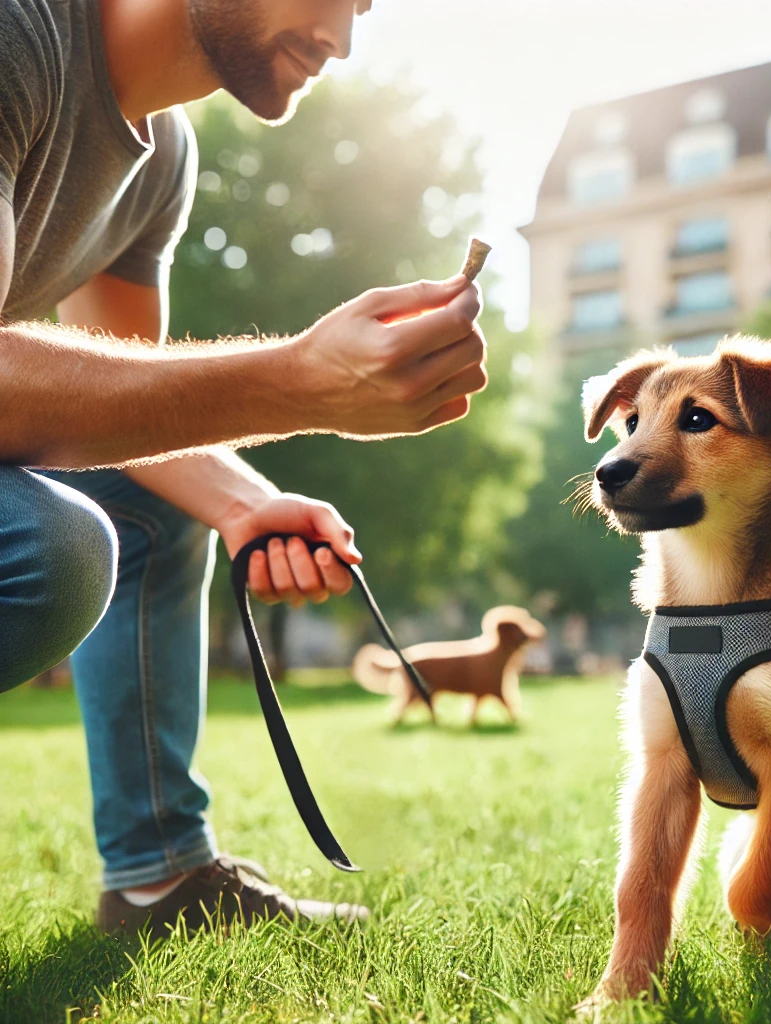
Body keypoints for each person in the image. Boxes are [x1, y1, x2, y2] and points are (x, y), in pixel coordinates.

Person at [0, 0, 487, 934]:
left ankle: (158, 879)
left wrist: (248, 503)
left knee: (137, 500)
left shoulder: (163, 161)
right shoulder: (18, 37)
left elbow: (131, 395)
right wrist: (299, 382)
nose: (343, 38)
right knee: (50, 548)